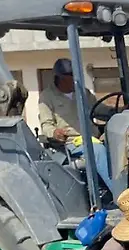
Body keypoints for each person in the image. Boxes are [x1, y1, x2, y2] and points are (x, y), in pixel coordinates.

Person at [39, 58, 114, 192]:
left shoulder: (83, 93)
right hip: (71, 143)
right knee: (97, 151)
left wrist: (116, 111)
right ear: (60, 78)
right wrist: (55, 133)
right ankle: (121, 195)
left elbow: (98, 110)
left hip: (93, 137)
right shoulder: (47, 97)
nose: (74, 80)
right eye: (70, 76)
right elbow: (46, 125)